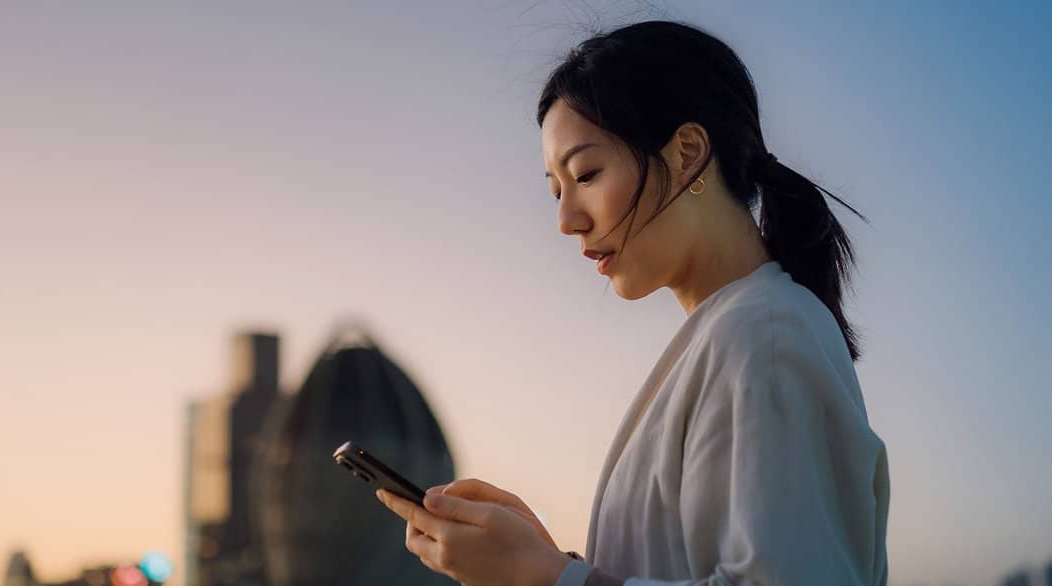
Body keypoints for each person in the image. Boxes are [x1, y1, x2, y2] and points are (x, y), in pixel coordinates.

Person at [376, 19, 890, 586]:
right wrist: (550, 563)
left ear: (688, 153)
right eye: (556, 190)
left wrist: (544, 577)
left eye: (586, 174)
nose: (567, 220)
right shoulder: (732, 335)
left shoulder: (765, 334)